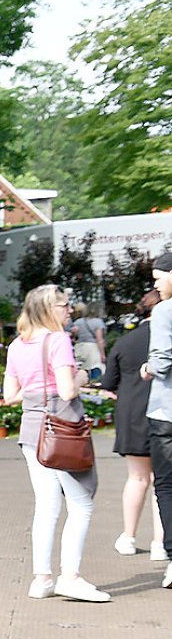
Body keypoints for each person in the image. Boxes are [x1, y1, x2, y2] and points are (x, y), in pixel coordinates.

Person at [2, 285, 109, 602]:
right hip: (62, 429)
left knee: (47, 506)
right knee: (81, 504)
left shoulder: (17, 345)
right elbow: (66, 391)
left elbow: (11, 395)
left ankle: (42, 579)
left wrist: (38, 389)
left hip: (31, 432)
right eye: (65, 305)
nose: (69, 310)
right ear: (50, 308)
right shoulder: (58, 340)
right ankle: (70, 577)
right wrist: (85, 376)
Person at [100, 290, 165, 562]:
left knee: (137, 478)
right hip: (164, 413)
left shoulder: (125, 342)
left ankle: (128, 536)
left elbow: (108, 384)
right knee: (164, 482)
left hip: (132, 416)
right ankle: (161, 543)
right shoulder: (167, 338)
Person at [145, 252, 172, 588]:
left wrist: (147, 368)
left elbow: (162, 361)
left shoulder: (165, 311)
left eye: (159, 277)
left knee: (166, 485)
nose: (155, 284)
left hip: (166, 412)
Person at [68, 300, 107, 383]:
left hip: (79, 347)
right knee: (96, 369)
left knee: (82, 369)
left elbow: (73, 336)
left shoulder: (78, 322)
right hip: (92, 348)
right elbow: (99, 339)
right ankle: (94, 385)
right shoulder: (98, 322)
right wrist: (102, 354)